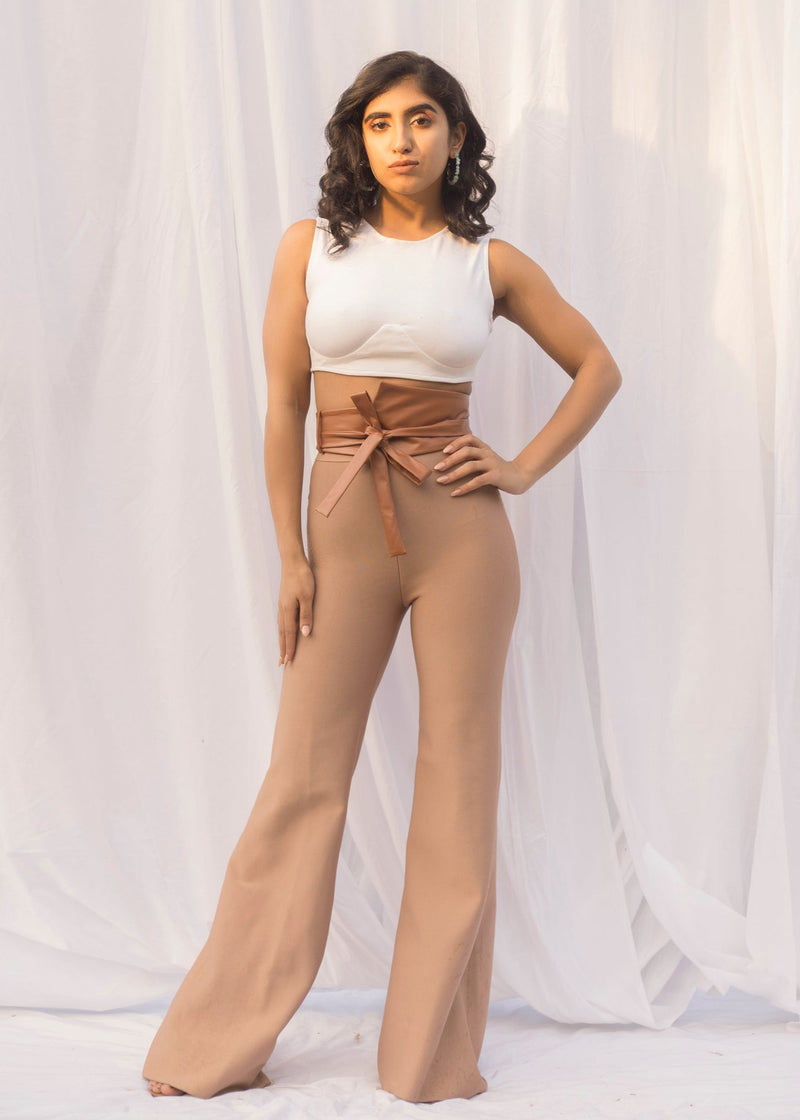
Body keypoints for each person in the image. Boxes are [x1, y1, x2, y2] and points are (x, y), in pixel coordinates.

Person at [143, 49, 621, 1103]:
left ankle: (428, 1058)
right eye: (378, 122)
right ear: (356, 140)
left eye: (420, 119)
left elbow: (598, 366)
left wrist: (519, 467)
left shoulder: (488, 263)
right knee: (302, 778)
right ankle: (214, 1043)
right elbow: (284, 407)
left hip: (463, 537)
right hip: (340, 528)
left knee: (458, 779)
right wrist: (289, 556)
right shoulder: (311, 247)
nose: (400, 139)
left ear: (456, 135)